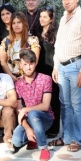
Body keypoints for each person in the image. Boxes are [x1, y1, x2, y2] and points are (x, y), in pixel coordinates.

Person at [50, 0, 81, 152]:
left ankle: (76, 139)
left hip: (76, 67)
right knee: (65, 104)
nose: (66, 1)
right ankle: (66, 137)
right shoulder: (63, 18)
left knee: (77, 105)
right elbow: (58, 44)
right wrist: (55, 65)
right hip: (61, 67)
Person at [11, 49, 54, 161]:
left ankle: (44, 148)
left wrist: (26, 109)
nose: (28, 67)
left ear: (35, 63)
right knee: (16, 140)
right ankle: (33, 138)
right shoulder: (18, 84)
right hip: (29, 120)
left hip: (45, 118)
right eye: (25, 64)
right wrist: (27, 128)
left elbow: (45, 105)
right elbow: (19, 109)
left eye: (31, 64)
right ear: (20, 65)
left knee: (33, 113)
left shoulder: (46, 79)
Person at [35, 7, 60, 138]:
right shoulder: (36, 32)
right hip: (39, 71)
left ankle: (54, 128)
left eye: (45, 17)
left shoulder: (57, 32)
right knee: (42, 100)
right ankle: (43, 126)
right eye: (40, 17)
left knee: (54, 100)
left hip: (52, 71)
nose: (42, 19)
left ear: (51, 19)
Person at [0, 12, 40, 82]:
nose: (16, 25)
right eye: (14, 23)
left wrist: (25, 76)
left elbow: (35, 59)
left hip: (28, 77)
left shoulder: (32, 40)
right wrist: (10, 76)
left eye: (19, 22)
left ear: (24, 23)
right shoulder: (6, 41)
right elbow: (2, 61)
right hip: (10, 79)